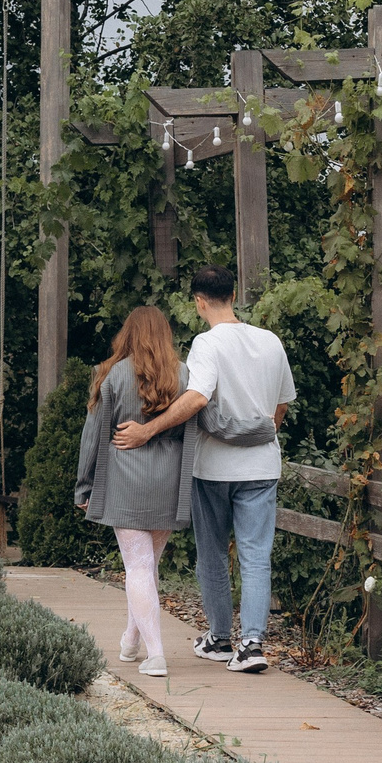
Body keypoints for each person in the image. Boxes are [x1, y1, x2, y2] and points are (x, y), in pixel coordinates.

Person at [113, 265, 293, 673]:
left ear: (198, 302)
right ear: (233, 294)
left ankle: (219, 640)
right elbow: (281, 405)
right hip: (262, 467)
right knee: (255, 555)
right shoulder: (270, 341)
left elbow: (195, 399)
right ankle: (252, 646)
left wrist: (147, 430)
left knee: (211, 555)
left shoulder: (206, 343)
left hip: (213, 469)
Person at [74, 305, 190, 678]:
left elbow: (93, 435)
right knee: (147, 566)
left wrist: (85, 485)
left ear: (128, 334)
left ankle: (156, 654)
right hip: (169, 478)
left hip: (125, 477)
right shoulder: (184, 374)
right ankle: (130, 640)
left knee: (137, 567)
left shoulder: (109, 374)